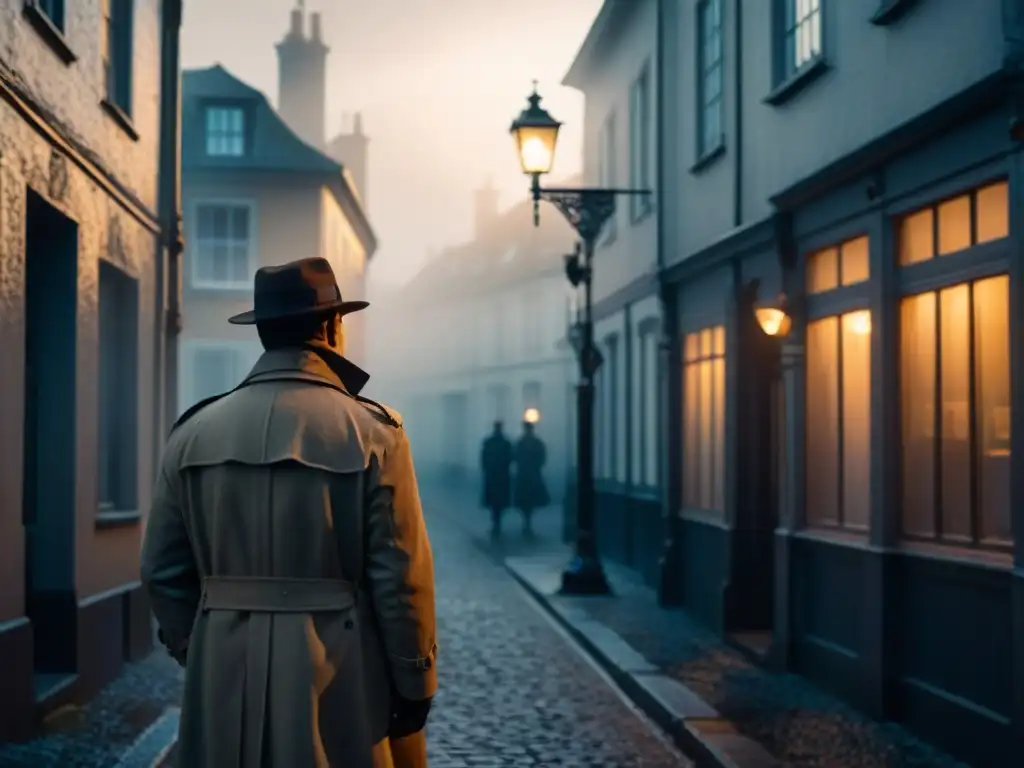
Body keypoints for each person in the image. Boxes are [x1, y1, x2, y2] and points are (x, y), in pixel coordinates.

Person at [141, 257, 437, 768]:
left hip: (223, 668)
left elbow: (162, 570)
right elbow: (400, 577)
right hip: (340, 673)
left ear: (263, 334)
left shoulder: (192, 433)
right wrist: (414, 681)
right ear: (331, 326)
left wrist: (203, 646)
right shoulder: (374, 433)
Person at [513, 419, 550, 536]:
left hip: (526, 476)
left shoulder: (522, 442)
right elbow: (542, 458)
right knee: (528, 502)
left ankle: (527, 522)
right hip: (530, 475)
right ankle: (527, 523)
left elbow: (515, 457)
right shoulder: (535, 443)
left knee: (528, 501)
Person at [480, 421, 513, 539]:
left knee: (495, 503)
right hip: (501, 477)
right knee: (499, 503)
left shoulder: (489, 442)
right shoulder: (506, 443)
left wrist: (487, 470)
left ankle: (496, 523)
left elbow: (483, 458)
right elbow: (510, 458)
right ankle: (497, 523)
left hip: (493, 477)